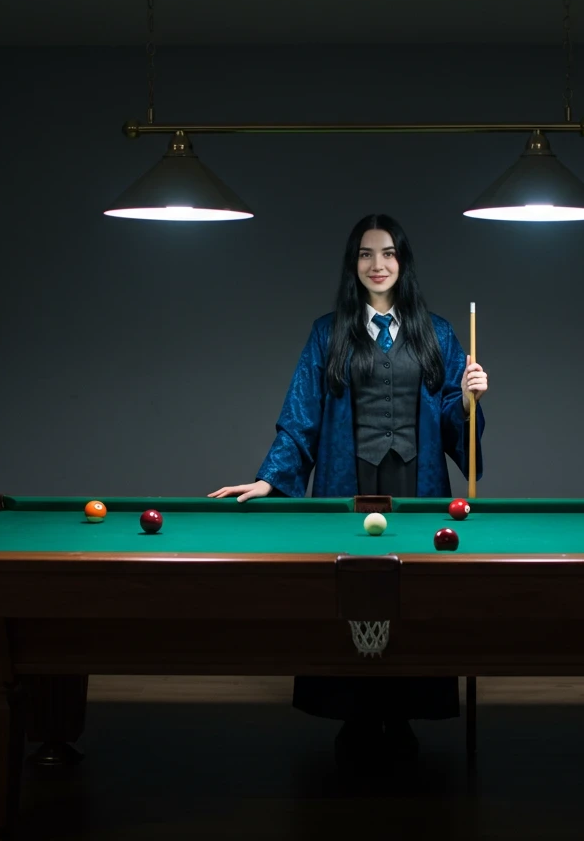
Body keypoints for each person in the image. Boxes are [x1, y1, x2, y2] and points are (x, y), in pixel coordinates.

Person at [209, 213, 488, 766]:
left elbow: (457, 420)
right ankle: (355, 713)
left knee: (412, 595)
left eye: (387, 253)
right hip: (348, 482)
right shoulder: (328, 331)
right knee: (349, 591)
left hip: (417, 483)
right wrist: (272, 477)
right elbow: (301, 415)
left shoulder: (439, 332)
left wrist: (470, 395)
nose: (377, 265)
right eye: (365, 254)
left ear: (402, 262)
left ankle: (405, 712)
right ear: (353, 263)